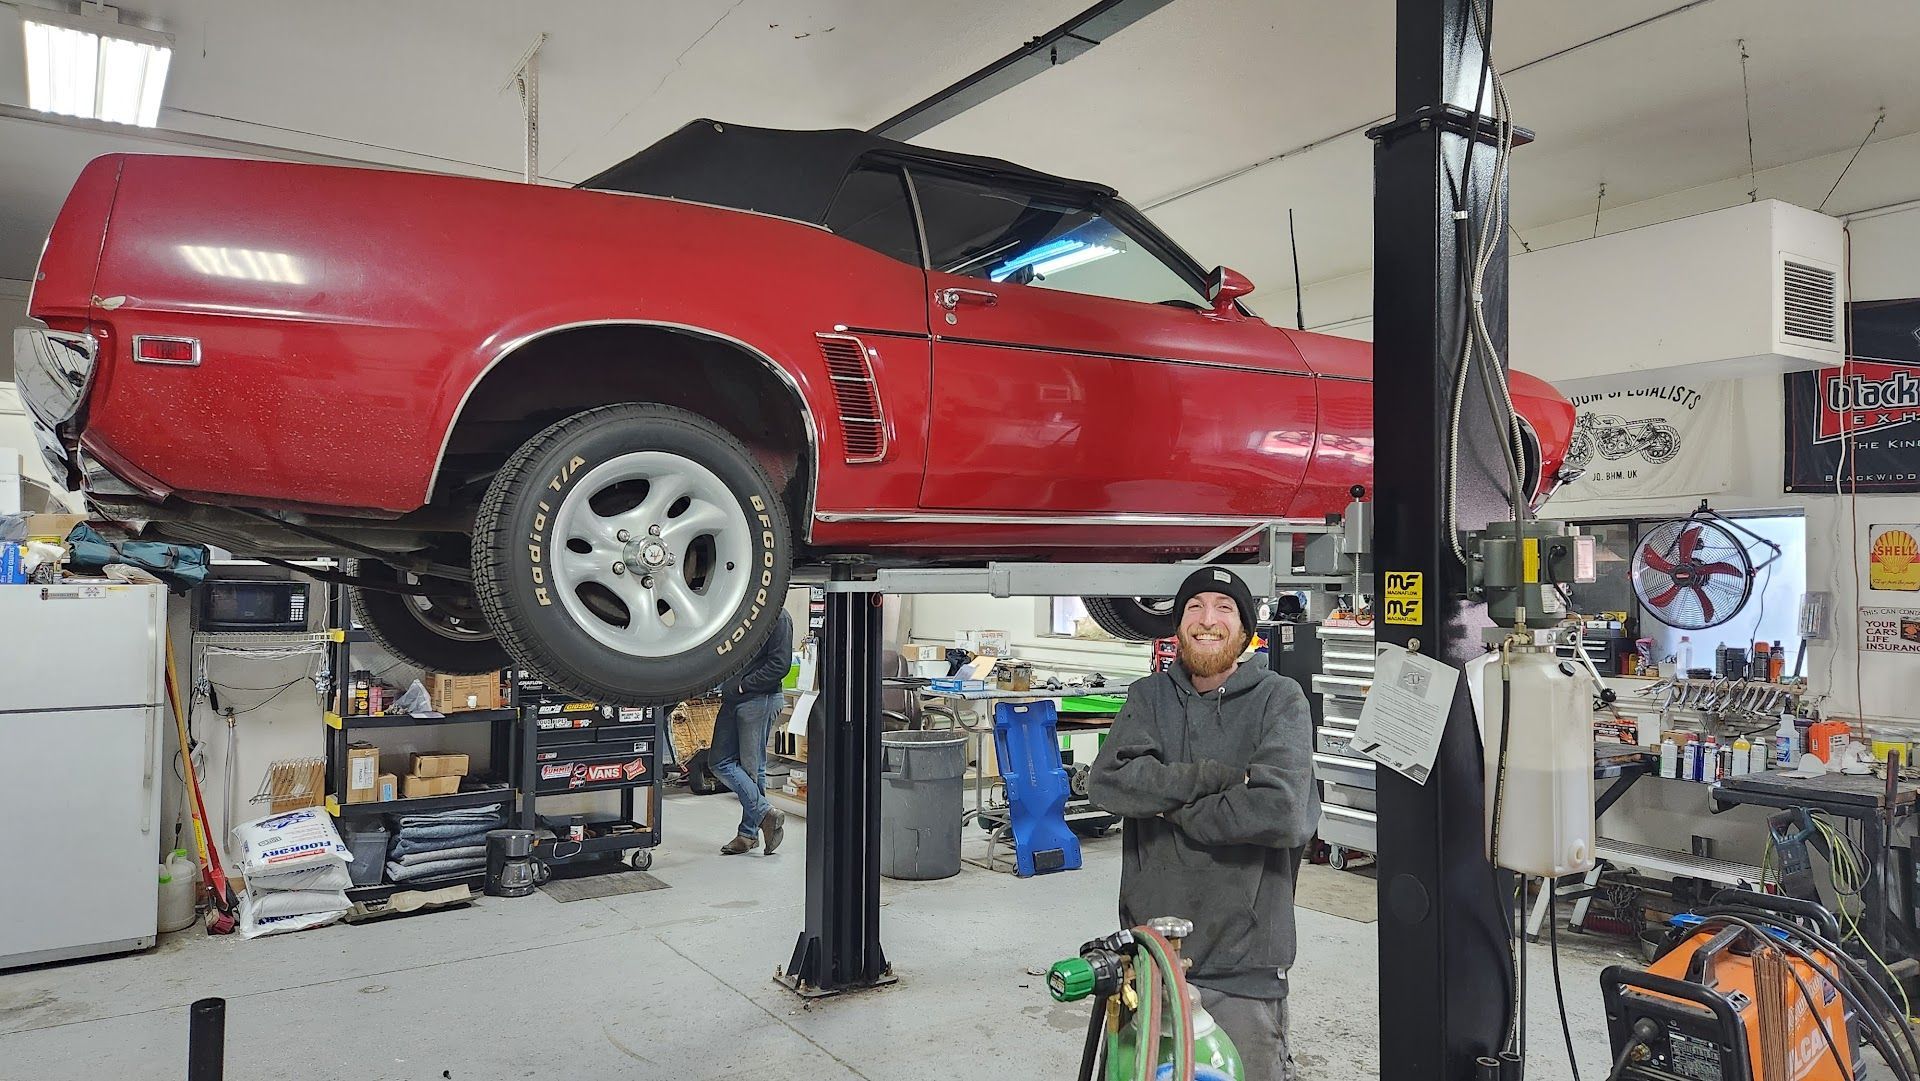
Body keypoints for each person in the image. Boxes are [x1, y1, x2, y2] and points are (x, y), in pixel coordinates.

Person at [1087, 566, 1319, 1081]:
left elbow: (1280, 812)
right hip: (1150, 958)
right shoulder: (1149, 697)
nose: (1207, 620)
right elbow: (1106, 784)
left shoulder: (1280, 699)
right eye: (1194, 607)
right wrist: (1221, 778)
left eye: (1223, 608)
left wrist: (1167, 803)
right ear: (1177, 623)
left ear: (1245, 629)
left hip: (1245, 964)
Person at [713, 608, 793, 856]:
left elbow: (780, 665)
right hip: (733, 698)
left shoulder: (778, 617)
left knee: (752, 768)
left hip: (759, 698)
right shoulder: (742, 614)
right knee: (718, 761)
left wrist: (742, 685)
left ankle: (748, 834)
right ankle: (764, 814)